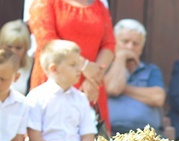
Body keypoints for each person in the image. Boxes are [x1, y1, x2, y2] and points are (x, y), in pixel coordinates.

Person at [28, 0, 115, 129]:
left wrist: (93, 78)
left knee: (92, 140)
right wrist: (84, 65)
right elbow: (47, 41)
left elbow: (109, 44)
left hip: (90, 84)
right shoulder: (44, 2)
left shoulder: (99, 5)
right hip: (57, 78)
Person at [25, 40, 96, 141]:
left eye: (79, 63)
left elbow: (88, 134)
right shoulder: (37, 96)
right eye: (73, 65)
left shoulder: (81, 98)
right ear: (54, 69)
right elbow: (34, 137)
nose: (79, 69)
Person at [104, 19, 166, 135]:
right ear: (114, 43)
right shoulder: (105, 67)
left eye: (135, 43)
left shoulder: (151, 70)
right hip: (112, 132)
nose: (130, 47)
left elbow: (157, 98)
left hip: (148, 134)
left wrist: (123, 88)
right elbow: (112, 89)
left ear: (141, 49)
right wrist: (121, 57)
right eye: (125, 41)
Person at [0, 20, 33, 95]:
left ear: (26, 48)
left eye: (18, 48)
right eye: (9, 46)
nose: (13, 51)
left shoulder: (33, 66)